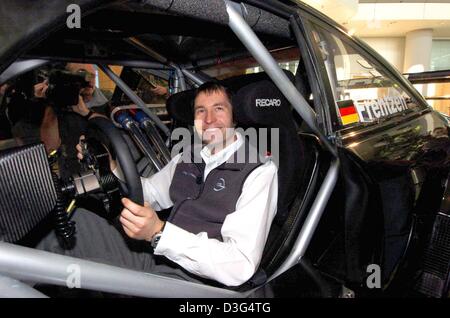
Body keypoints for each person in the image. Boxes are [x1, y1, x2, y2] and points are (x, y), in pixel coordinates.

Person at [39, 82, 278, 287]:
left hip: (199, 283)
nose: (209, 120)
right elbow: (148, 193)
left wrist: (159, 232)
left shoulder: (259, 171)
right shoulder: (188, 156)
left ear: (234, 115)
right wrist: (109, 165)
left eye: (219, 109)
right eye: (200, 111)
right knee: (67, 223)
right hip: (158, 255)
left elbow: (240, 265)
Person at [34, 63, 108, 179]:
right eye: (82, 74)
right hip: (74, 176)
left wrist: (86, 112)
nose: (89, 79)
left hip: (107, 169)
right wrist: (51, 102)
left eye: (92, 75)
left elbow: (113, 131)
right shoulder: (58, 107)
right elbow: (49, 147)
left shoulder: (107, 100)